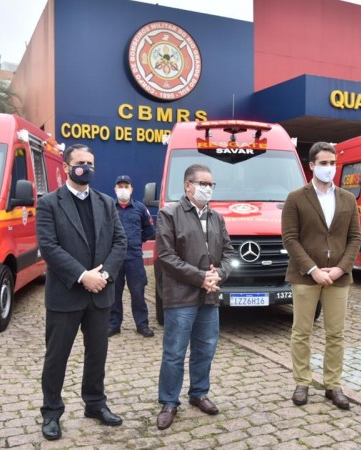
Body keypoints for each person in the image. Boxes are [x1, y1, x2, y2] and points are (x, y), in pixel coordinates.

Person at [36, 144, 127, 441]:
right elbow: (48, 247)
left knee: (97, 354)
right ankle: (51, 412)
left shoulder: (105, 202)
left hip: (100, 292)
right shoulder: (49, 203)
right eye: (79, 163)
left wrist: (103, 275)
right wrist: (81, 275)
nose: (85, 168)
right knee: (56, 356)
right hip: (66, 293)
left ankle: (95, 404)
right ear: (65, 167)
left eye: (90, 163)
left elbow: (119, 242)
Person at [282, 142, 361, 410]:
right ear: (312, 166)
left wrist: (341, 268)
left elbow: (355, 237)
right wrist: (313, 269)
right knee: (301, 332)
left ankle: (332, 384)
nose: (330, 168)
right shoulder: (296, 198)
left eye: (333, 163)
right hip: (306, 276)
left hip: (338, 276)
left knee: (335, 333)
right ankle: (302, 382)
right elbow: (290, 238)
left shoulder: (348, 199)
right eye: (324, 163)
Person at [154, 164, 234, 430]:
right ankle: (169, 401)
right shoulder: (169, 214)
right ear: (188, 185)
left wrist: (218, 275)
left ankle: (199, 393)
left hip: (209, 297)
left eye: (211, 185)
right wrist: (201, 277)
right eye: (204, 183)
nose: (208, 189)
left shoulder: (217, 218)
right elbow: (166, 257)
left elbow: (229, 254)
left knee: (205, 349)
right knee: (175, 352)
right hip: (181, 296)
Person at [109, 174, 157, 338]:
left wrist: (136, 241)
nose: (123, 189)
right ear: (115, 189)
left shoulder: (140, 208)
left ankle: (142, 325)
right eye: (120, 186)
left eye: (126, 186)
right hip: (114, 257)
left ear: (131, 189)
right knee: (114, 293)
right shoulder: (108, 207)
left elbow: (150, 230)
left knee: (138, 292)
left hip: (134, 257)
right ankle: (114, 325)